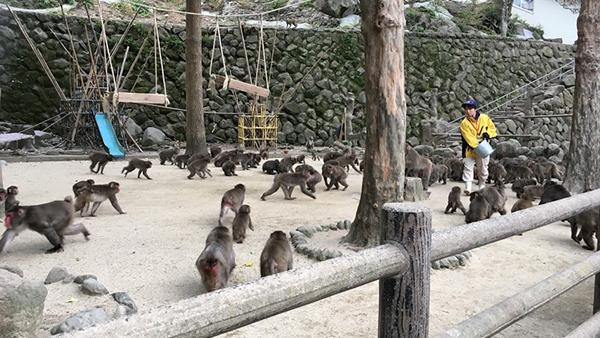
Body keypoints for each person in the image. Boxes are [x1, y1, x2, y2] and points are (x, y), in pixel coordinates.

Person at [460, 99, 497, 195]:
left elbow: (492, 129)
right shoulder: (464, 123)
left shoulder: (484, 118)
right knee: (468, 167)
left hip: (484, 147)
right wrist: (477, 146)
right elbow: (468, 138)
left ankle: (482, 183)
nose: (468, 111)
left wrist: (488, 133)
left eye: (470, 109)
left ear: (475, 109)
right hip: (470, 149)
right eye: (466, 109)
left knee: (483, 168)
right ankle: (468, 186)